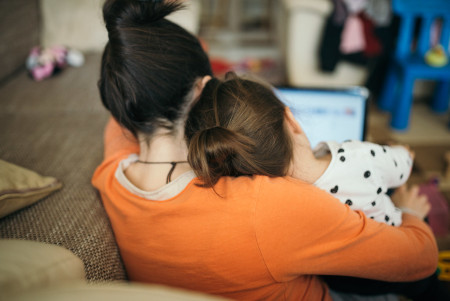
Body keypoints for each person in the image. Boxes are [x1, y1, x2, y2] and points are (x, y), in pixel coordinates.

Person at [92, 1, 438, 300]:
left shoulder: (110, 174)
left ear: (124, 112)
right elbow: (419, 258)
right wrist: (410, 214)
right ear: (203, 87)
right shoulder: (266, 205)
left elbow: (122, 114)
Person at [184, 72, 445, 300]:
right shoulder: (358, 155)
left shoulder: (273, 211)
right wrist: (403, 160)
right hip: (400, 264)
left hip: (341, 278)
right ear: (292, 120)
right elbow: (400, 170)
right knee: (426, 278)